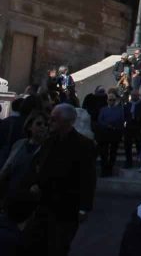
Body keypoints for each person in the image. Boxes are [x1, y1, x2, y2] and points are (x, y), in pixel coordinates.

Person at [20, 103, 97, 256]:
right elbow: (40, 164)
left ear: (67, 122)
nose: (50, 122)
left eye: (54, 119)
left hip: (66, 207)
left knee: (57, 247)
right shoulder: (49, 141)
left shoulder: (84, 145)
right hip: (44, 202)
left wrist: (84, 207)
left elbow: (88, 178)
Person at [96, 91, 126, 177]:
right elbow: (100, 120)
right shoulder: (103, 109)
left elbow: (121, 120)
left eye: (113, 100)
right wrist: (107, 125)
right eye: (110, 100)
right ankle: (104, 170)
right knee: (104, 153)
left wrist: (116, 127)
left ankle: (110, 169)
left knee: (113, 153)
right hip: (105, 134)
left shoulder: (119, 110)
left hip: (115, 133)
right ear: (107, 100)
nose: (111, 101)